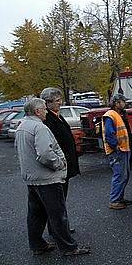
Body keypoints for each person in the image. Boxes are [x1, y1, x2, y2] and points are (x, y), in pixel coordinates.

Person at [15, 98, 90, 256]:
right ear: (37, 111)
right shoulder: (39, 127)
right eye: (44, 109)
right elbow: (45, 154)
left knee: (36, 214)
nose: (46, 111)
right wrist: (59, 164)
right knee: (58, 214)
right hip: (47, 179)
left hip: (32, 178)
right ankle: (69, 247)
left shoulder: (22, 126)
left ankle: (37, 245)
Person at [39, 87, 79, 234]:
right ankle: (58, 230)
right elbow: (50, 147)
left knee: (61, 200)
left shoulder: (57, 115)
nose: (60, 103)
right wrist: (61, 161)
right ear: (47, 103)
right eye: (57, 101)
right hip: (59, 166)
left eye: (60, 100)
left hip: (65, 164)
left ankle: (59, 228)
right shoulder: (48, 119)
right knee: (57, 201)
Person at [102, 93, 132, 210]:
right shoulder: (111, 115)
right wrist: (116, 146)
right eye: (122, 101)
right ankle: (114, 200)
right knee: (119, 175)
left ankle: (119, 198)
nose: (124, 103)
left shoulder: (119, 114)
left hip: (124, 149)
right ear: (117, 103)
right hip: (118, 151)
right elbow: (109, 134)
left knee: (124, 175)